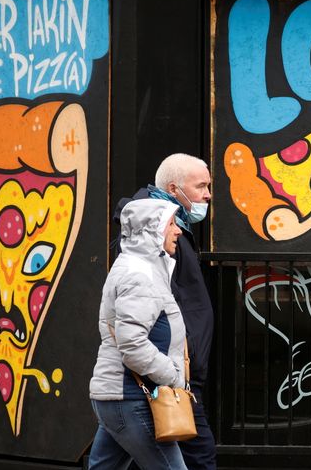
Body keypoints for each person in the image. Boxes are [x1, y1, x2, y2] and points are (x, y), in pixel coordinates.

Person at [115, 154, 216, 469]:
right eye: (201, 186)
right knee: (199, 456)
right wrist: (175, 371)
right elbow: (137, 323)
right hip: (171, 375)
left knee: (117, 457)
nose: (208, 195)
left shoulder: (170, 232)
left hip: (165, 373)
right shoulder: (156, 240)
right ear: (174, 189)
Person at [88, 198, 188, 470]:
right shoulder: (139, 275)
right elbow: (132, 345)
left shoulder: (142, 268)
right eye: (171, 223)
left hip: (121, 397)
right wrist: (174, 376)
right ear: (152, 229)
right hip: (131, 398)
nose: (178, 230)